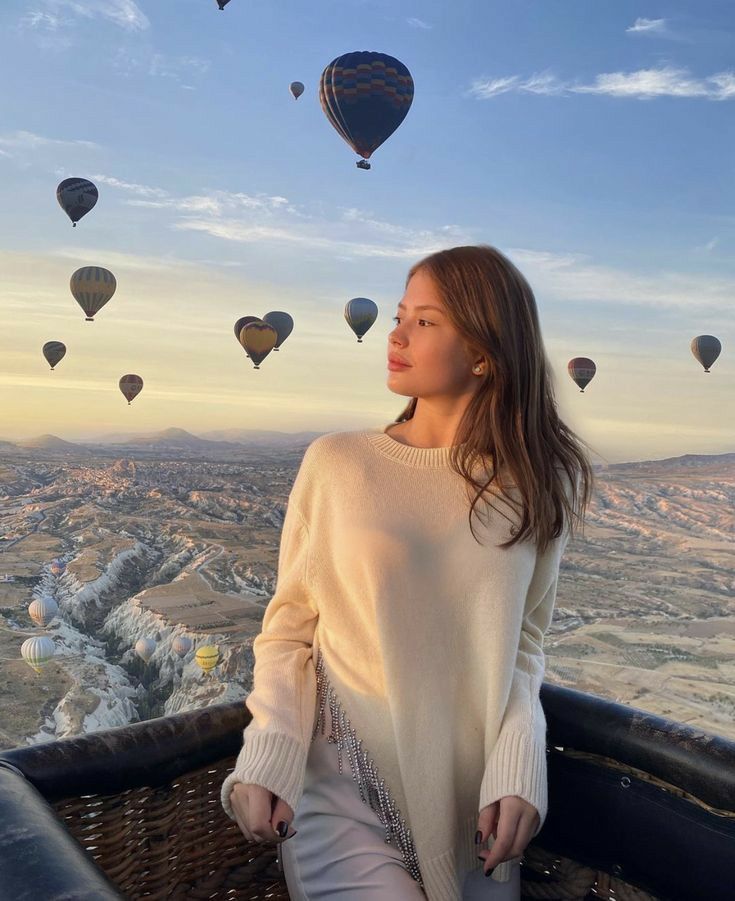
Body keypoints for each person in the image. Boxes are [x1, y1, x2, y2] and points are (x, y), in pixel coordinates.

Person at [220, 244, 595, 900]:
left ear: (482, 352)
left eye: (425, 320)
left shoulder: (534, 486)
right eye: (398, 315)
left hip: (474, 806)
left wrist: (517, 764)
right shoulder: (338, 463)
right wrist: (268, 754)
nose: (394, 334)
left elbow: (523, 648)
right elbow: (289, 633)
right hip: (343, 790)